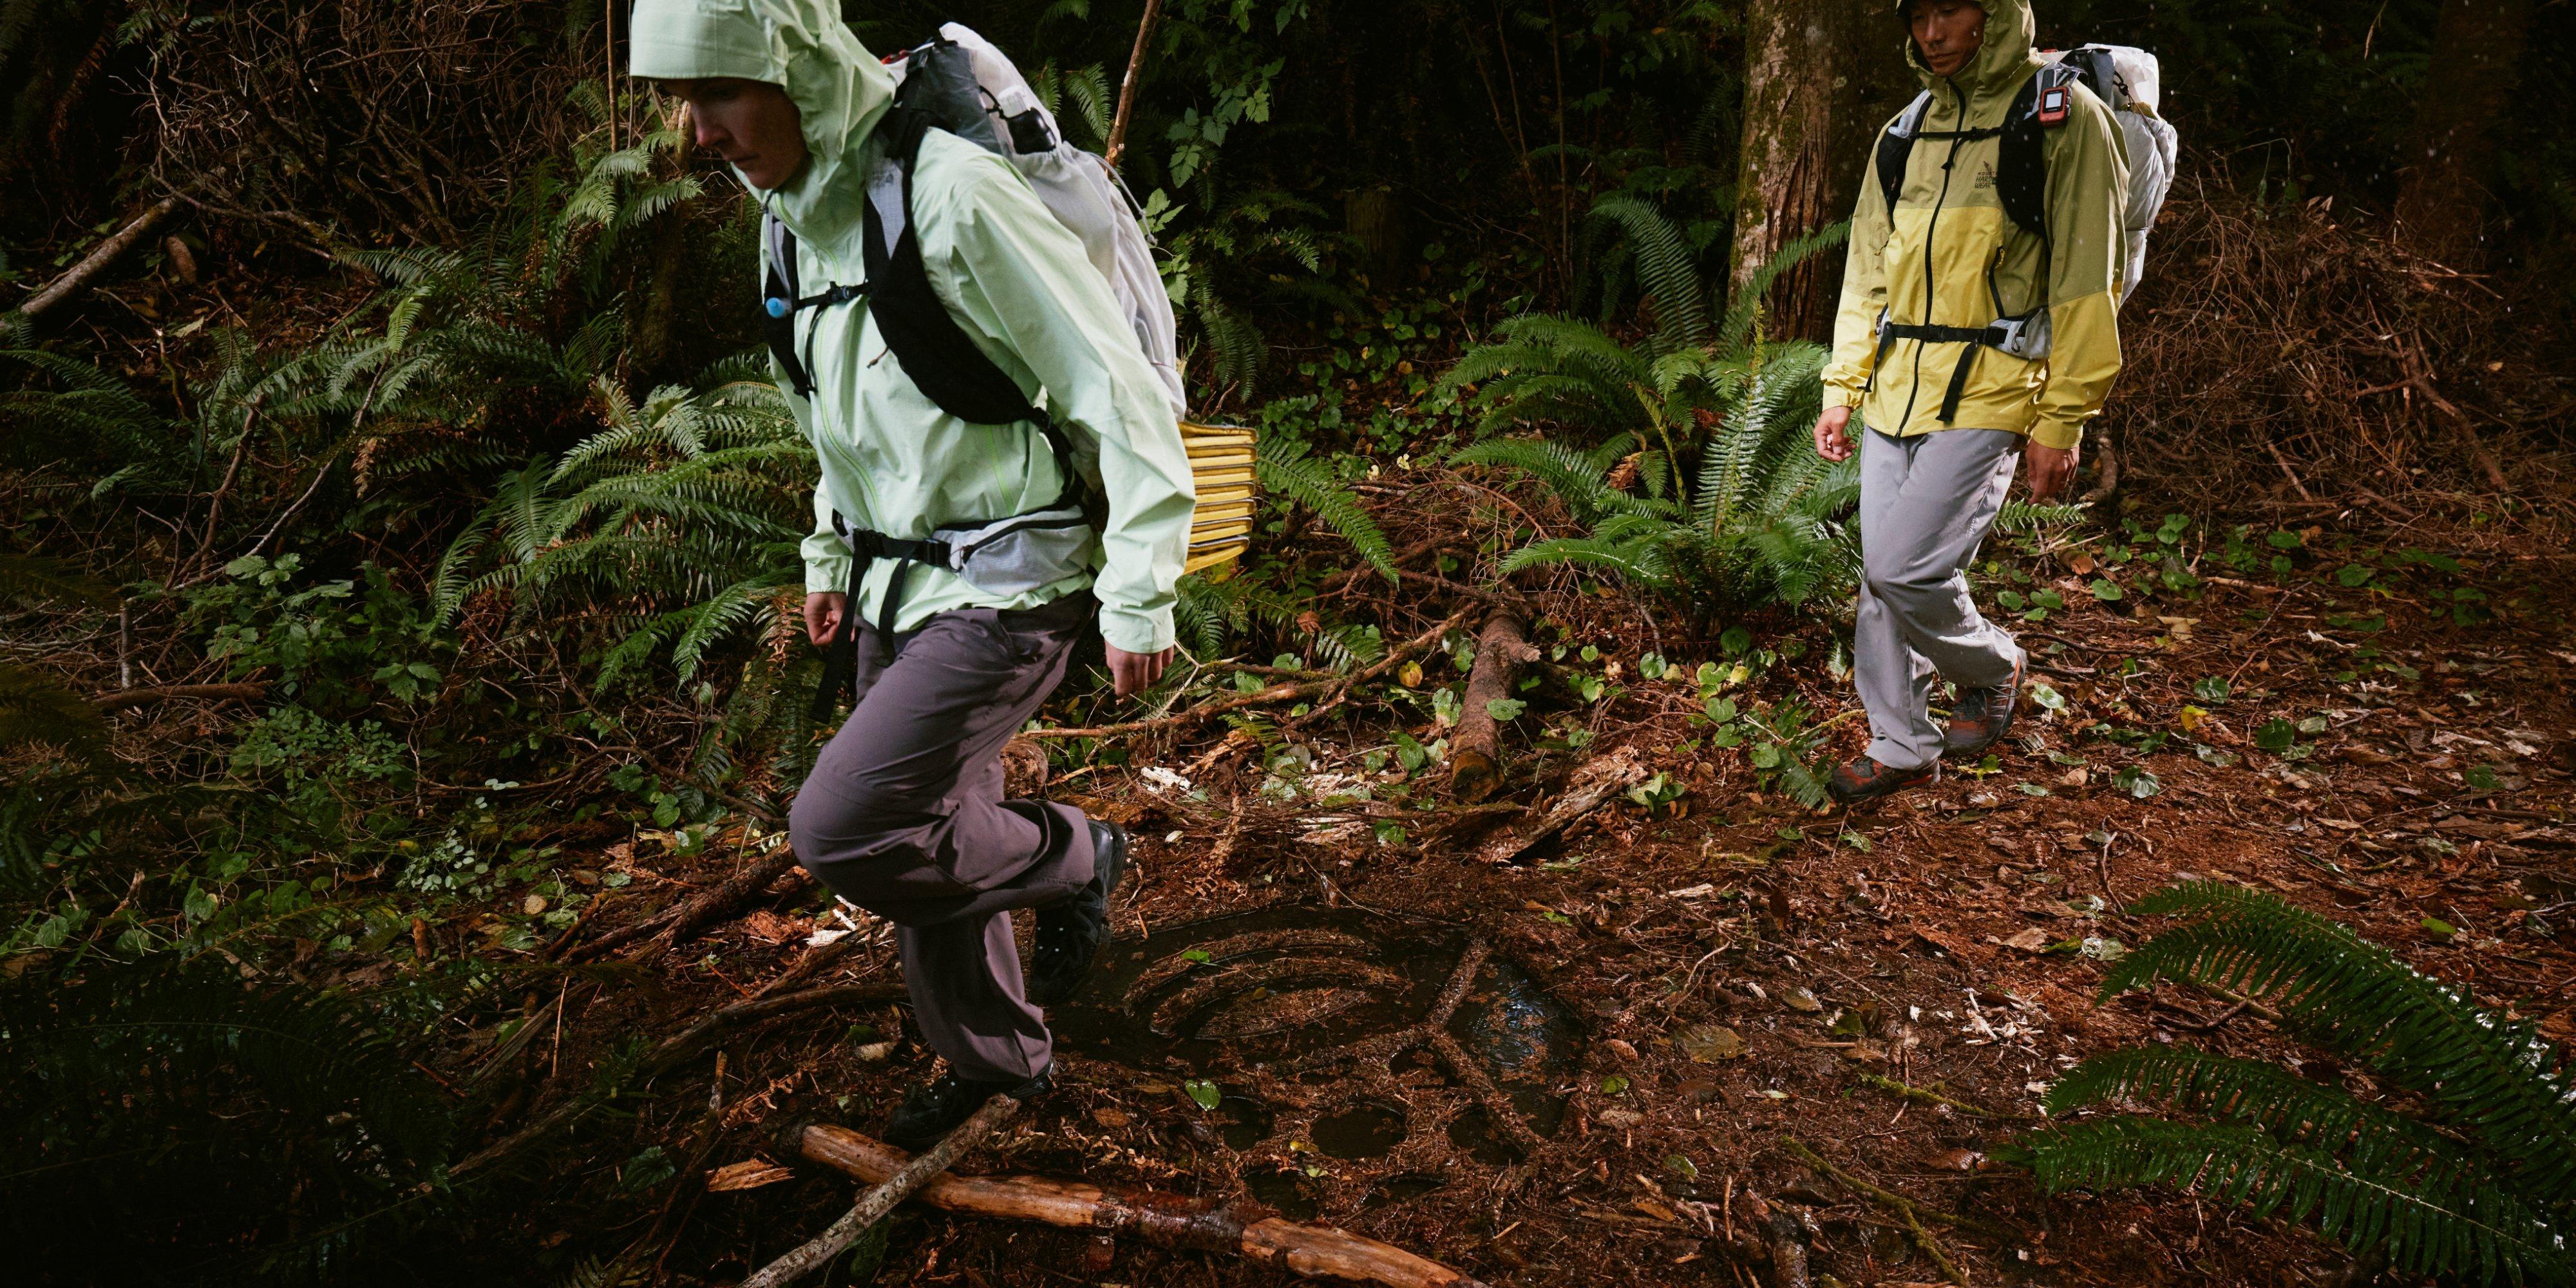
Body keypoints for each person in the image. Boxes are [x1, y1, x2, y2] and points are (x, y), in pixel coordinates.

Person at [629, 0, 1197, 1146]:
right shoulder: (790, 221)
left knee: (849, 828)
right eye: (685, 105)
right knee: (937, 830)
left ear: (795, 70)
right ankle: (998, 1066)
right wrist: (831, 547)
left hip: (1014, 581)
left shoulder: (950, 194)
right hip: (900, 581)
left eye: (721, 96)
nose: (699, 134)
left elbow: (1116, 389)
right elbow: (834, 409)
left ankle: (1080, 854)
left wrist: (1142, 583)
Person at [1812, 0, 2127, 804]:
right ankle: (1902, 742)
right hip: (1895, 385)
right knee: (1881, 580)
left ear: (1995, 14)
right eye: (1918, 15)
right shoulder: (1904, 130)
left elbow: (2090, 281)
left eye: (1951, 10)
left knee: (1900, 564)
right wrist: (1843, 385)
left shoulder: (2061, 118)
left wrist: (2064, 419)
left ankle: (1994, 665)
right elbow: (1865, 268)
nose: (1933, 32)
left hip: (1993, 385)